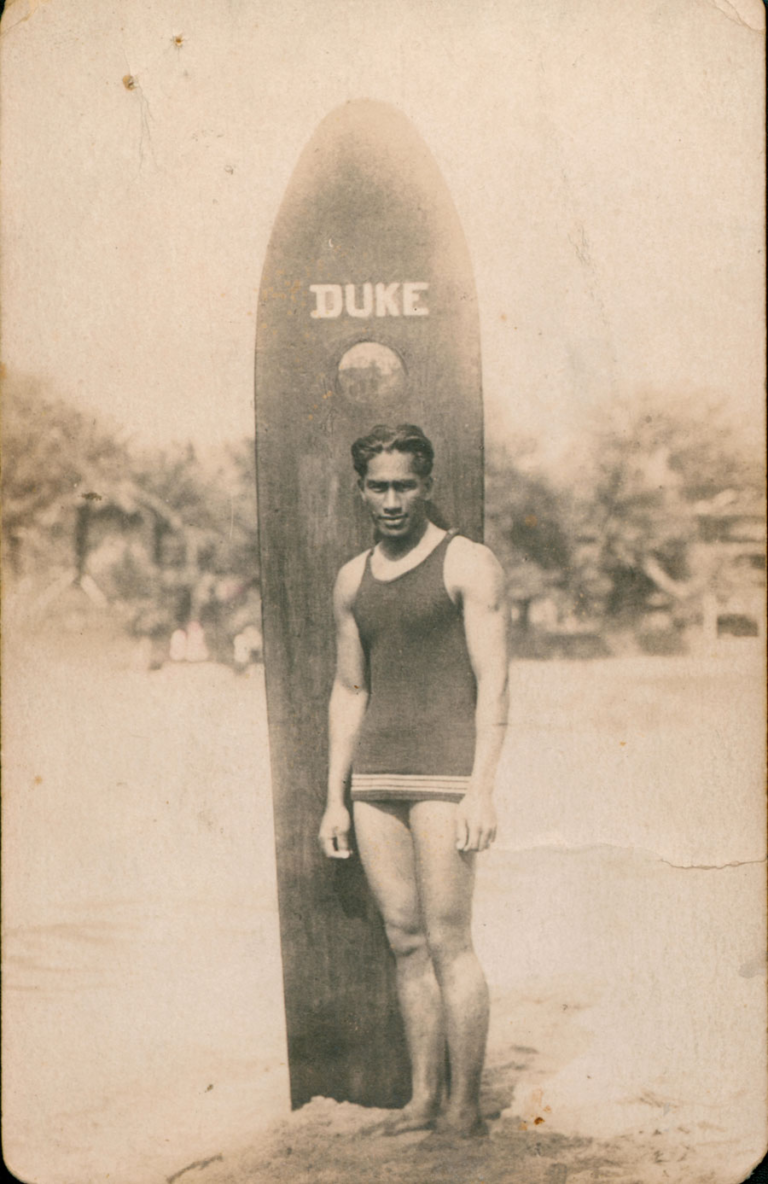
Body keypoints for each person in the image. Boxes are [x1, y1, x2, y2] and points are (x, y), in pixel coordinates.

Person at [318, 423, 509, 1138]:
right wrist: (334, 798)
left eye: (405, 485)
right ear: (361, 490)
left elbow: (494, 683)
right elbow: (349, 689)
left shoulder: (468, 563)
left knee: (449, 941)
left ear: (426, 485)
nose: (392, 500)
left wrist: (481, 787)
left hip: (444, 775)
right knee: (404, 941)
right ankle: (423, 1099)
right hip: (374, 779)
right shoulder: (351, 578)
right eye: (379, 487)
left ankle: (464, 1106)